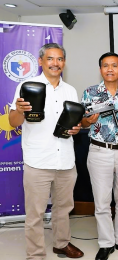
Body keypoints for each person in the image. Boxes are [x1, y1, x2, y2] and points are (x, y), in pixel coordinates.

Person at [9, 43, 84, 260]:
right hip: (38, 160)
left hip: (65, 161)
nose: (55, 63)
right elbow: (14, 122)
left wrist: (76, 128)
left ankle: (61, 244)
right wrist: (20, 111)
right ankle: (35, 255)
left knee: (63, 209)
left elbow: (73, 123)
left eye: (59, 59)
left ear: (64, 62)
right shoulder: (27, 85)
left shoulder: (70, 90)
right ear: (41, 61)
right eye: (50, 59)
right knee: (35, 214)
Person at [80, 52, 118, 260]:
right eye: (105, 65)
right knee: (102, 201)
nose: (110, 69)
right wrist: (89, 120)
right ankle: (106, 243)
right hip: (99, 151)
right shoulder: (90, 92)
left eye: (114, 65)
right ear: (100, 69)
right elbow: (83, 122)